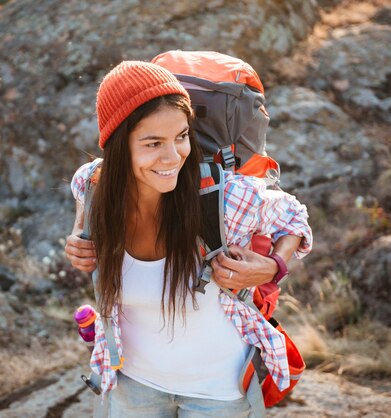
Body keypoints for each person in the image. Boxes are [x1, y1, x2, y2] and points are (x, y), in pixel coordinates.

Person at [65, 61, 312, 417]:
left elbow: (295, 218)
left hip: (219, 395)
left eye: (181, 137)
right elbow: (81, 200)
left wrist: (272, 266)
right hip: (132, 387)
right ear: (118, 146)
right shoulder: (93, 185)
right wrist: (79, 236)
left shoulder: (225, 198)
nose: (173, 157)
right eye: (153, 143)